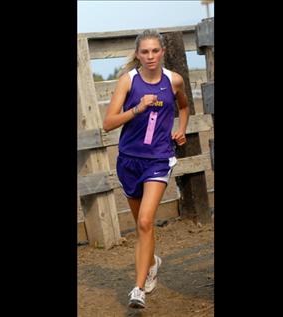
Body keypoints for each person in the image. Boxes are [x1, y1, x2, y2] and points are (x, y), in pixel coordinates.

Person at [103, 29, 190, 309]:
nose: (150, 56)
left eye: (155, 51)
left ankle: (138, 289)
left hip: (158, 159)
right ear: (137, 54)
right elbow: (108, 123)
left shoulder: (173, 80)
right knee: (142, 225)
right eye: (145, 52)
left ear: (162, 51)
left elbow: (185, 107)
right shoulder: (127, 81)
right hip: (129, 160)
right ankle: (152, 261)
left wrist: (182, 130)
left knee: (144, 222)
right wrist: (137, 109)